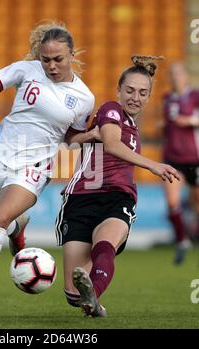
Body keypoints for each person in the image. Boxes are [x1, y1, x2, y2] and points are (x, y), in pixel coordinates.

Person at [0, 22, 101, 313]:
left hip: (34, 165)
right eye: (46, 59)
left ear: (72, 55)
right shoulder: (27, 69)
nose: (51, 65)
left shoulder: (84, 98)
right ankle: (17, 228)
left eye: (58, 59)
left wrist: (91, 135)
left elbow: (70, 136)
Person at [55, 55, 180, 317]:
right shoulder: (111, 109)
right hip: (82, 198)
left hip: (118, 196)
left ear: (149, 97)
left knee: (106, 243)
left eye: (143, 93)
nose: (136, 97)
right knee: (72, 295)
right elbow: (111, 145)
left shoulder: (132, 125)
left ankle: (94, 298)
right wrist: (153, 165)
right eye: (130, 90)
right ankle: (89, 299)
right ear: (118, 91)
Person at [162, 62, 199, 264]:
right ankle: (182, 240)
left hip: (195, 158)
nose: (175, 77)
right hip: (172, 158)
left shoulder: (194, 96)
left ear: (185, 76)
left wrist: (190, 121)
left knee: (196, 203)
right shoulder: (167, 99)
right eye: (172, 74)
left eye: (178, 73)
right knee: (172, 202)